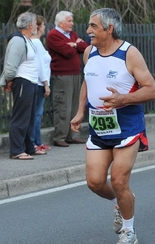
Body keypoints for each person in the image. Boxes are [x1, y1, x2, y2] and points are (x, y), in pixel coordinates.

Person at [70, 8, 155, 244]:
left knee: (119, 181)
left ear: (110, 29)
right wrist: (80, 112)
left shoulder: (129, 54)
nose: (88, 31)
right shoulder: (89, 52)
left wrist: (122, 99)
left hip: (127, 128)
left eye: (93, 26)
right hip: (99, 129)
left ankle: (129, 232)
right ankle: (121, 202)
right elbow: (88, 82)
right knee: (95, 182)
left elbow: (152, 90)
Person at [0, 12, 46, 160]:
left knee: (29, 117)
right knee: (20, 117)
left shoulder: (27, 39)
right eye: (35, 23)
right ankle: (16, 151)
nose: (37, 26)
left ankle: (28, 147)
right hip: (23, 82)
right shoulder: (18, 40)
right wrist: (8, 80)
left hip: (30, 82)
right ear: (30, 25)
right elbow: (11, 64)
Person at [46, 11, 88, 147]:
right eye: (69, 21)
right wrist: (75, 45)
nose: (72, 24)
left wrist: (75, 44)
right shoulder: (53, 35)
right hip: (62, 75)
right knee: (63, 105)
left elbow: (84, 47)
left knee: (75, 105)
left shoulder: (72, 34)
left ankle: (73, 135)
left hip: (76, 73)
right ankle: (60, 136)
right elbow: (67, 52)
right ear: (61, 22)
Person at [30, 15, 51, 152]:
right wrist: (46, 84)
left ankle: (37, 140)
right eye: (43, 25)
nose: (45, 27)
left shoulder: (36, 42)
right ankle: (33, 142)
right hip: (39, 83)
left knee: (38, 114)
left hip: (39, 83)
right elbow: (39, 66)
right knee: (36, 115)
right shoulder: (36, 43)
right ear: (38, 26)